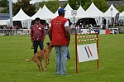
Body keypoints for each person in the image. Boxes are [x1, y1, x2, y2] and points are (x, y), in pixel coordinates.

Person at [48, 8, 70, 75]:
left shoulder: (52, 20)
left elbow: (49, 31)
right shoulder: (65, 20)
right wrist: (68, 38)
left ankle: (58, 71)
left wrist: (51, 39)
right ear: (63, 13)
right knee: (63, 56)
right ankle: (63, 72)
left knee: (57, 55)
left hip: (55, 40)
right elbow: (66, 30)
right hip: (63, 40)